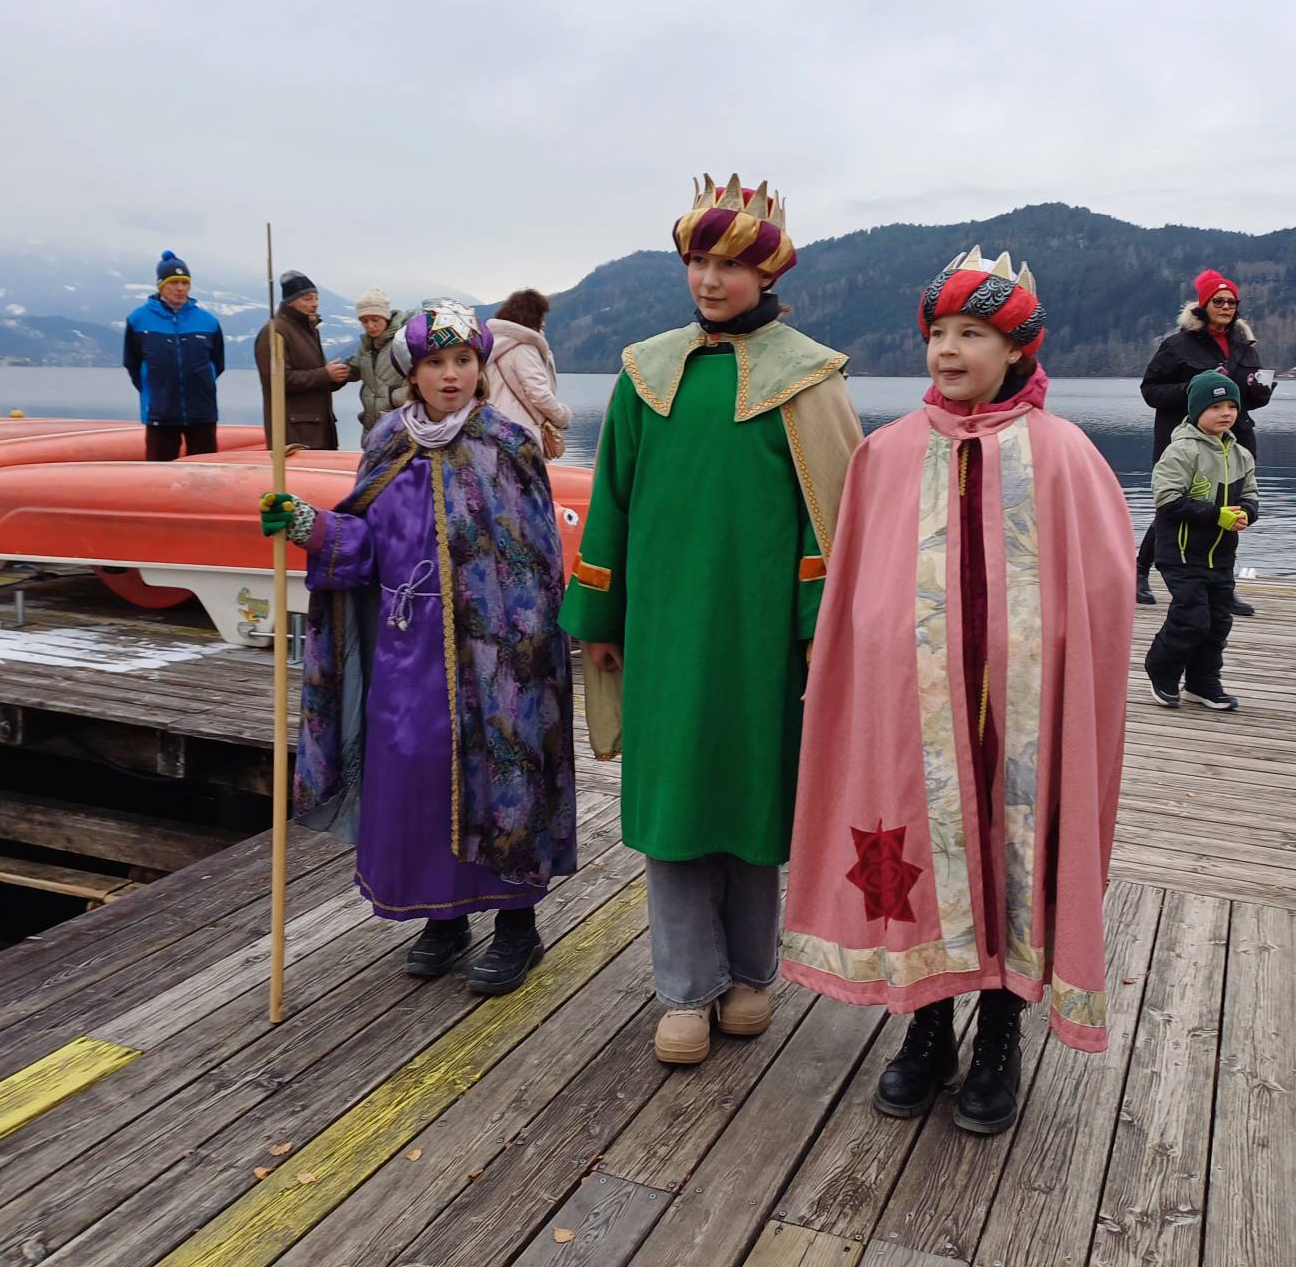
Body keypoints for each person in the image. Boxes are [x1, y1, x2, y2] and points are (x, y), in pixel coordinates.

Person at [780, 247, 1133, 1135]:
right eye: (938, 332)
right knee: (922, 856)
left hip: (1026, 718)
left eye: (972, 333)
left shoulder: (1064, 456)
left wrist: (1042, 642)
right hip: (915, 716)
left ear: (1016, 349)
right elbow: (855, 594)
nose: (948, 349)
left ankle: (1002, 1035)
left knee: (1014, 853)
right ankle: (928, 1027)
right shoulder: (886, 456)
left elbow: (1103, 590)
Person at [560, 173, 861, 1066]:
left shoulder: (809, 378)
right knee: (678, 804)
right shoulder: (644, 374)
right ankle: (686, 989)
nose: (709, 279)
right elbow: (610, 502)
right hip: (665, 632)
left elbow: (828, 520)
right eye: (697, 259)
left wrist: (817, 626)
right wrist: (600, 614)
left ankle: (752, 977)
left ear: (765, 274)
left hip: (763, 639)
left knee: (754, 802)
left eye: (729, 263)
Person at [259, 301, 576, 993]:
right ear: (413, 372)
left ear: (480, 367)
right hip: (410, 654)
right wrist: (311, 527)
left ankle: (518, 927)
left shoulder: (506, 444)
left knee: (501, 777)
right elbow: (367, 549)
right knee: (419, 776)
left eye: (464, 361)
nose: (452, 375)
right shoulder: (385, 444)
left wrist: (523, 644)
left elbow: (537, 558)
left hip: (498, 658)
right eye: (437, 363)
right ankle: (445, 916)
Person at [1136, 270, 1273, 613]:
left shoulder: (1244, 343)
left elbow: (1252, 394)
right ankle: (1139, 571)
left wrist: (1261, 391)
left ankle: (1223, 585)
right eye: (1219, 301)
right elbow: (1149, 391)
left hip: (1235, 438)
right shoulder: (1177, 345)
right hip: (1185, 441)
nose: (1227, 307)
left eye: (1232, 302)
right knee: (1174, 507)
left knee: (1233, 506)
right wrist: (1194, 390)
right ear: (1204, 305)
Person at [1143, 372, 1259, 711]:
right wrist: (1216, 514)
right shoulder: (1181, 451)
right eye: (1215, 406)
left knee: (1219, 621)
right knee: (1191, 618)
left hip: (1221, 556)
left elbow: (1251, 495)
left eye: (1231, 406)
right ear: (1196, 411)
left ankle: (1202, 682)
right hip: (1181, 553)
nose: (1225, 413)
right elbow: (1166, 500)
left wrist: (1246, 514)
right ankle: (1161, 670)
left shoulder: (1241, 455)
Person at [123, 250, 225, 460]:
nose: (180, 288)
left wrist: (200, 384)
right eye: (174, 282)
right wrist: (156, 389)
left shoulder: (208, 321)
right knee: (159, 475)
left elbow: (218, 363)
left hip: (202, 413)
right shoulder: (138, 320)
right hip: (160, 413)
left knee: (206, 473)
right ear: (161, 286)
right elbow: (132, 363)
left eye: (184, 283)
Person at [254, 269, 353, 450]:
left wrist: (338, 376)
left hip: (318, 429)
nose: (314, 304)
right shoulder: (274, 332)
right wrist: (325, 374)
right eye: (307, 299)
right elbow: (278, 380)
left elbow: (315, 380)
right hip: (294, 434)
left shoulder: (309, 330)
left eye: (316, 298)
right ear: (290, 302)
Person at [485, 288, 573, 455]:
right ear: (531, 317)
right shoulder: (524, 348)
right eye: (541, 317)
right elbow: (539, 394)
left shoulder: (489, 346)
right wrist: (563, 416)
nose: (544, 323)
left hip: (491, 429)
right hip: (521, 436)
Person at [345, 288, 409, 444]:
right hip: (372, 428)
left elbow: (420, 377)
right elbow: (355, 368)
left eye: (375, 319)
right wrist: (330, 373)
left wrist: (396, 397)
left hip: (399, 427)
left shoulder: (403, 340)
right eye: (364, 321)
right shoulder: (366, 346)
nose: (370, 325)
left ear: (385, 317)